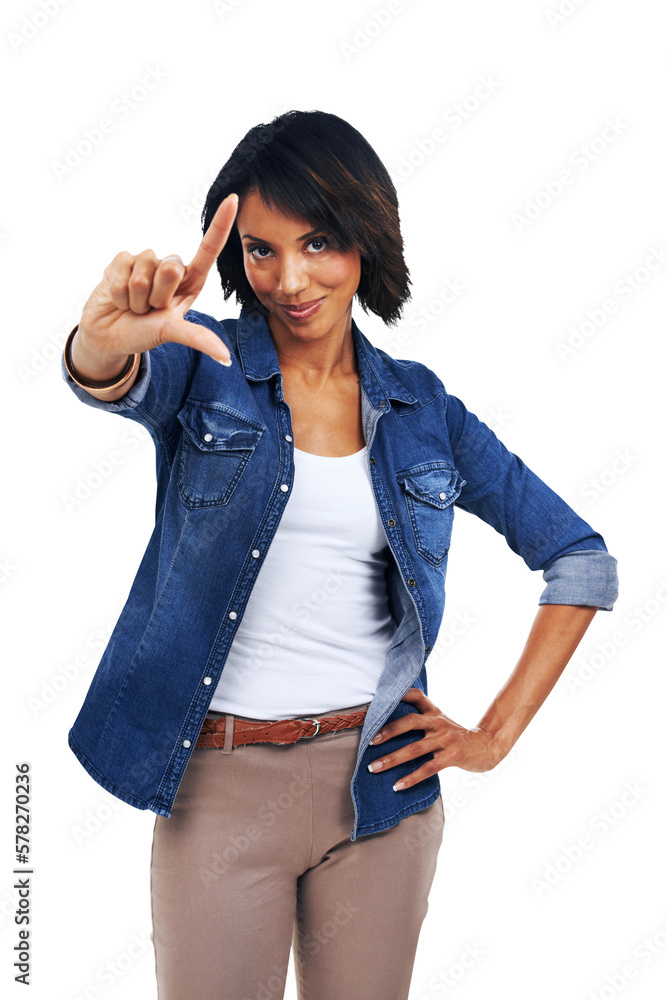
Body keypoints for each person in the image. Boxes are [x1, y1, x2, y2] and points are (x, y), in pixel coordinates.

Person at [60, 110, 619, 1000]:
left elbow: (579, 559)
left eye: (317, 241)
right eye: (260, 250)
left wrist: (492, 737)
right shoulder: (203, 365)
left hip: (381, 793)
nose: (289, 279)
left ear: (365, 237)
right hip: (218, 788)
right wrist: (100, 343)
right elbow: (115, 379)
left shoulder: (423, 410)